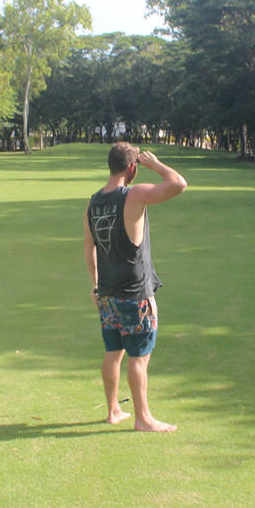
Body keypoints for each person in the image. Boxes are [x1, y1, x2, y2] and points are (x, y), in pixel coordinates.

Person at [83, 143, 187, 432]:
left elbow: (89, 249)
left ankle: (114, 410)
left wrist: (95, 286)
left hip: (106, 294)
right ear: (132, 168)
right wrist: (155, 164)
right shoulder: (135, 194)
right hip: (135, 294)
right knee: (139, 357)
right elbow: (178, 184)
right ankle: (143, 418)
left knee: (113, 352)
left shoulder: (93, 203)